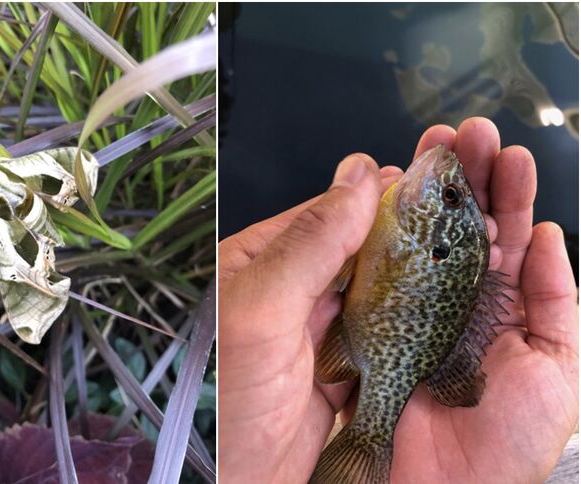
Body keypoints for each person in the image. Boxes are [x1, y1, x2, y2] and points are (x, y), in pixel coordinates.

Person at [218, 118, 578, 482]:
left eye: (449, 196)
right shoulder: (399, 227)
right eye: (452, 194)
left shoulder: (396, 228)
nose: (447, 174)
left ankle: (370, 438)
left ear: (437, 243)